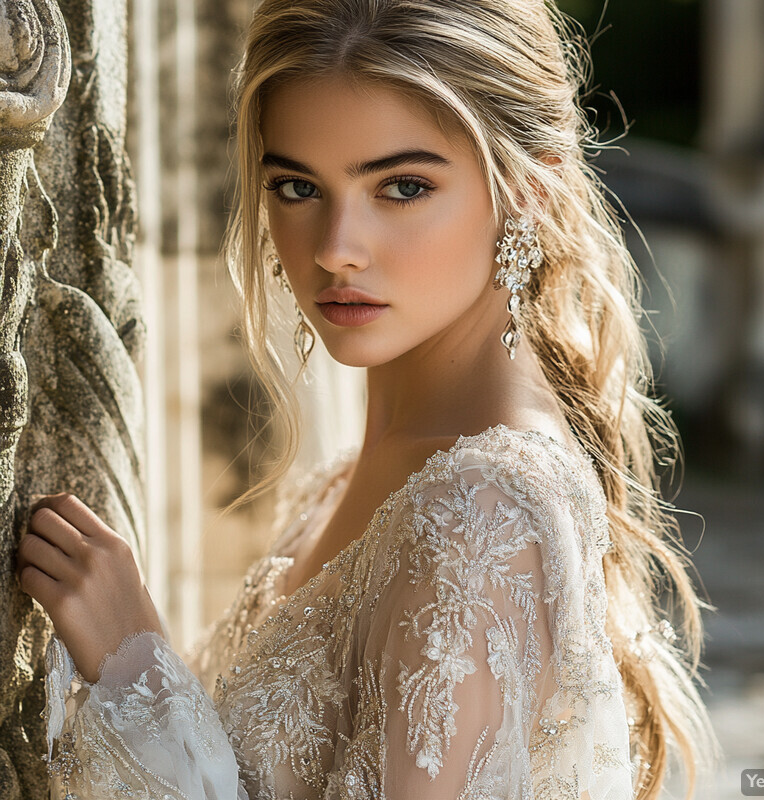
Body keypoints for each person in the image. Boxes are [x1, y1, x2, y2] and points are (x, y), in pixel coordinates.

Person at [16, 0, 722, 797]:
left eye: (403, 186)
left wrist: (134, 668)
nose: (335, 249)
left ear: (530, 187)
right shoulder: (362, 473)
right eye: (297, 187)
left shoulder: (483, 510)